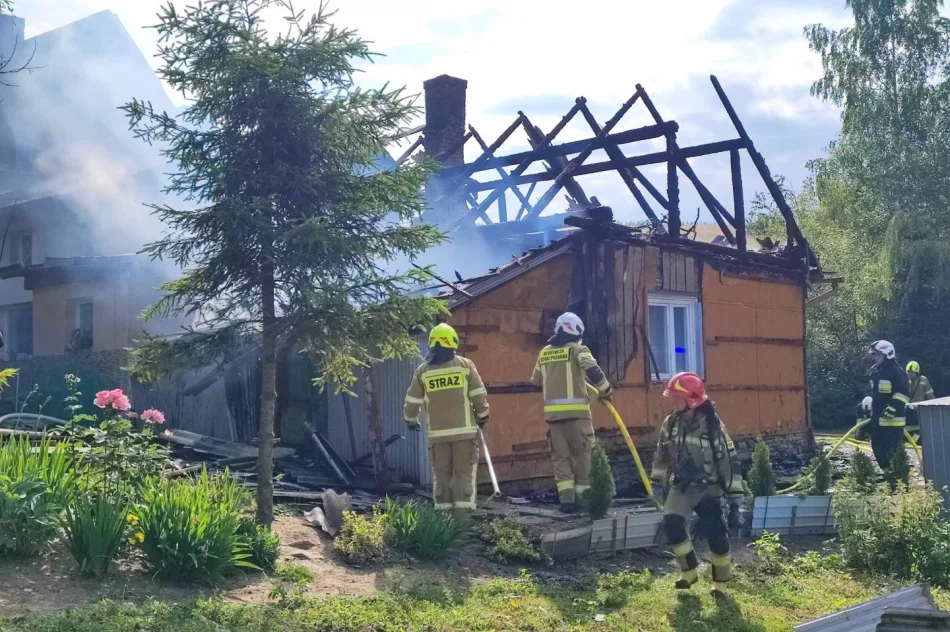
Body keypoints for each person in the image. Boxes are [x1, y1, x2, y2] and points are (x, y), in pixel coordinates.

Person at [650, 372, 744, 598]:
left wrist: (735, 495)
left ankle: (720, 583)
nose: (673, 401)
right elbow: (662, 454)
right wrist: (657, 481)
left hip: (709, 488)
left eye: (677, 397)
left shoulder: (711, 424)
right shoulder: (671, 422)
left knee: (716, 533)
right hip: (683, 485)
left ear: (691, 399)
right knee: (671, 523)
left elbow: (728, 459)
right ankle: (689, 571)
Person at [404, 323, 490, 520]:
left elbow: (412, 400)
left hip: (438, 436)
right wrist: (482, 416)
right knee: (463, 475)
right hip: (464, 434)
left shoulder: (423, 370)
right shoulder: (465, 366)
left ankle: (443, 523)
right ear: (453, 342)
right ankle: (462, 522)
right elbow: (478, 395)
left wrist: (410, 420)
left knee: (441, 476)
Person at [530, 312, 612, 513]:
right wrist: (605, 390)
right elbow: (592, 369)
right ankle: (584, 500)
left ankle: (566, 501)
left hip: (553, 420)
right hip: (578, 418)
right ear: (576, 331)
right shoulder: (578, 350)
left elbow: (535, 381)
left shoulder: (544, 353)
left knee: (561, 459)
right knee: (584, 458)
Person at [867, 340, 910, 469]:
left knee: (893, 453)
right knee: (877, 447)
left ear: (887, 354)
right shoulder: (875, 372)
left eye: (878, 355)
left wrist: (893, 407)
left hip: (893, 422)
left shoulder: (897, 371)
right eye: (874, 355)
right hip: (878, 420)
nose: (875, 358)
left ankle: (896, 476)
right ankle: (887, 473)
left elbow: (903, 394)